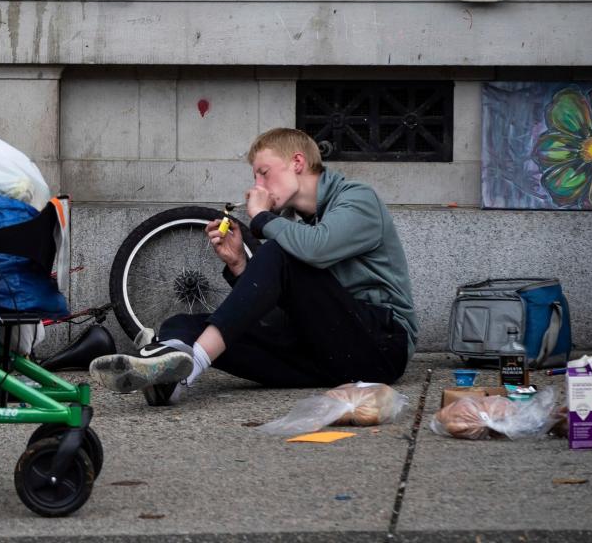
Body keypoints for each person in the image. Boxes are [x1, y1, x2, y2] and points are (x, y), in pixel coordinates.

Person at [90, 128, 417, 405]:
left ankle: (189, 369)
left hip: (380, 348)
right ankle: (165, 369)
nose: (257, 185)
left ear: (297, 163)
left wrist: (262, 218)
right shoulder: (295, 225)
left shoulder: (358, 200)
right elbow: (279, 316)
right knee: (184, 324)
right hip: (325, 354)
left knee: (278, 252)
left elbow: (317, 248)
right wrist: (239, 265)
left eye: (264, 172)